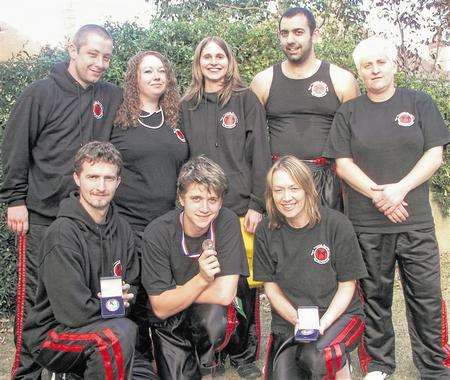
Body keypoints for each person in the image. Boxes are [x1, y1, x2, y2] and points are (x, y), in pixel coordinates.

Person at [0, 24, 123, 379]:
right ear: (74, 50)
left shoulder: (110, 96)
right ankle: (25, 372)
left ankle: (67, 368)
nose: (100, 63)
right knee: (35, 298)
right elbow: (15, 148)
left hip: (87, 219)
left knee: (79, 295)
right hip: (42, 217)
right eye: (92, 54)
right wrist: (14, 200)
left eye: (106, 57)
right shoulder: (40, 93)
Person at [325, 36, 450, 379]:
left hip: (415, 223)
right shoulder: (349, 112)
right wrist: (380, 195)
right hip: (367, 225)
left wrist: (400, 190)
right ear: (360, 72)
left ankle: (434, 367)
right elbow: (341, 163)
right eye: (367, 65)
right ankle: (380, 365)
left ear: (394, 64)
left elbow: (435, 154)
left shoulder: (420, 103)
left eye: (381, 62)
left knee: (425, 298)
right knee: (375, 300)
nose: (375, 69)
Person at [181, 36, 271, 378]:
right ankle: (211, 353)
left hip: (239, 208)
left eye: (220, 55)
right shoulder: (186, 104)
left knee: (246, 285)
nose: (214, 62)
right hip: (201, 210)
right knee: (205, 279)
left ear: (229, 60)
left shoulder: (246, 100)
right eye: (208, 56)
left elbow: (260, 153)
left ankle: (246, 356)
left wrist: (258, 204)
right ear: (198, 62)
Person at [22, 141, 139, 379]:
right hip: (53, 335)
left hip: (102, 326)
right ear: (77, 178)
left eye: (108, 178)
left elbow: (133, 286)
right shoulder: (62, 233)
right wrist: (115, 305)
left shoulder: (123, 230)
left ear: (118, 181)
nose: (101, 186)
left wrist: (126, 298)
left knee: (131, 346)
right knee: (118, 334)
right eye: (93, 177)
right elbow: (73, 313)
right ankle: (64, 371)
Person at [253, 155, 367, 379]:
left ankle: (342, 364)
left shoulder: (336, 224)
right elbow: (271, 288)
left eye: (293, 188)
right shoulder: (265, 230)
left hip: (339, 315)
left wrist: (322, 324)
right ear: (271, 194)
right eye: (278, 190)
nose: (286, 197)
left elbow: (347, 286)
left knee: (317, 358)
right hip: (291, 322)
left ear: (307, 189)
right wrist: (300, 322)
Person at [111, 50, 188, 378]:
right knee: (133, 294)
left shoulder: (175, 119)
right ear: (134, 79)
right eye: (148, 71)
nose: (157, 76)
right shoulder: (118, 120)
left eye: (161, 71)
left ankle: (166, 361)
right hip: (128, 224)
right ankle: (135, 363)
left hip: (168, 225)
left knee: (164, 295)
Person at [141, 156, 249, 379]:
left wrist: (175, 292)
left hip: (206, 311)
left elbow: (224, 293)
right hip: (169, 322)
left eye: (212, 199)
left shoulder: (226, 221)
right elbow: (160, 307)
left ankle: (209, 364)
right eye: (196, 198)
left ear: (220, 202)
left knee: (213, 321)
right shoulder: (157, 232)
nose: (205, 208)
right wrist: (201, 279)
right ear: (182, 198)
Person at [251, 7, 359, 211]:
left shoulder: (341, 80)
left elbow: (355, 145)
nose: (290, 39)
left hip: (326, 185)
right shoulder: (263, 81)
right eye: (285, 33)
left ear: (315, 35)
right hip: (280, 185)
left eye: (298, 32)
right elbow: (252, 144)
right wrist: (256, 202)